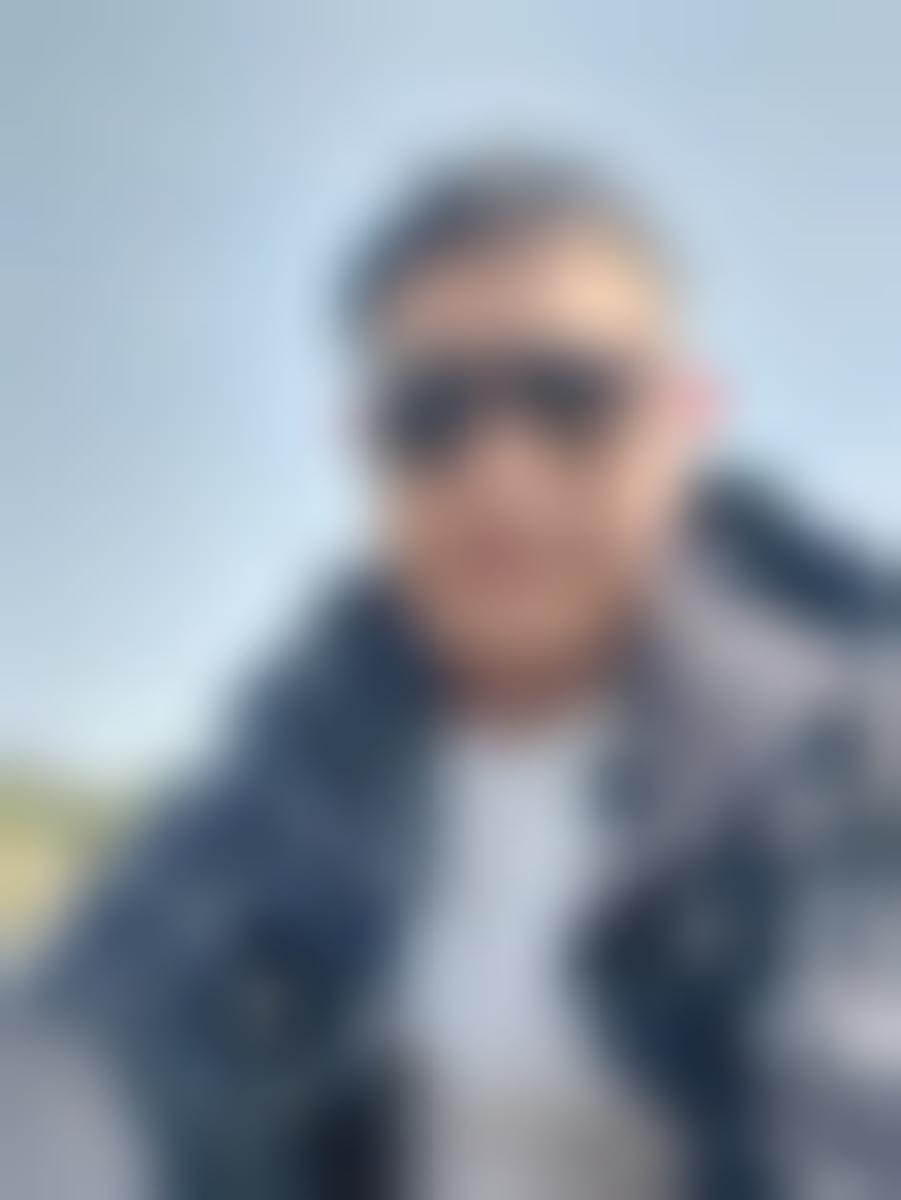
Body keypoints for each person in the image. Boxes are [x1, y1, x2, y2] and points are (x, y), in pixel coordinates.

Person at [32, 154, 898, 1200]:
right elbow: (80, 1043)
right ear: (368, 447)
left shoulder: (845, 748)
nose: (500, 472)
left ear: (684, 418)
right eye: (432, 414)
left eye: (570, 400)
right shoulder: (301, 754)